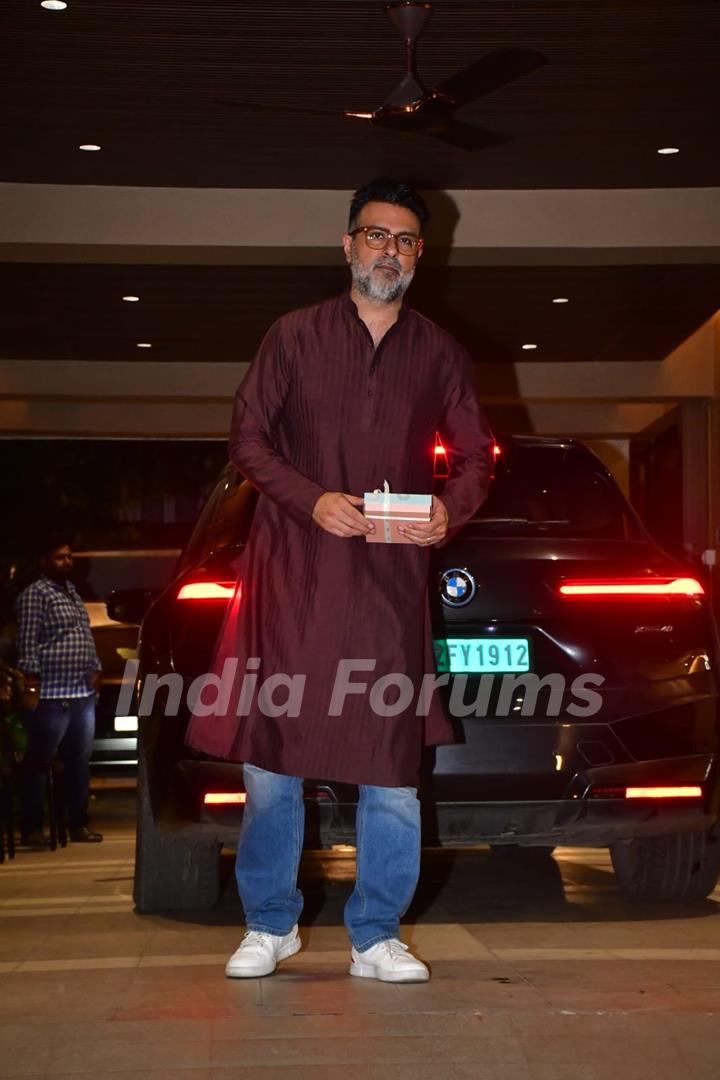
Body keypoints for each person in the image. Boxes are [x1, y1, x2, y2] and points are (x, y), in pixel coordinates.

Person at [186, 177, 494, 982]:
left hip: (387, 588)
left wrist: (448, 512)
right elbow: (248, 438)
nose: (386, 250)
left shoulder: (438, 351)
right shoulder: (292, 336)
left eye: (402, 239)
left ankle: (377, 934)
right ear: (347, 244)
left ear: (421, 254)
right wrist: (310, 498)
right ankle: (268, 923)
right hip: (291, 576)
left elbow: (475, 454)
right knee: (271, 760)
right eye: (373, 234)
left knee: (390, 770)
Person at [15, 537, 103, 847]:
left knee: (79, 761)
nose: (66, 562)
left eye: (69, 557)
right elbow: (26, 642)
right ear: (43, 561)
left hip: (80, 693)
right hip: (50, 694)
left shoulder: (73, 594)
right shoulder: (35, 595)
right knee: (39, 762)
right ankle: (32, 828)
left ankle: (78, 824)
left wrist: (95, 667)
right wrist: (31, 685)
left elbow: (83, 635)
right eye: (59, 557)